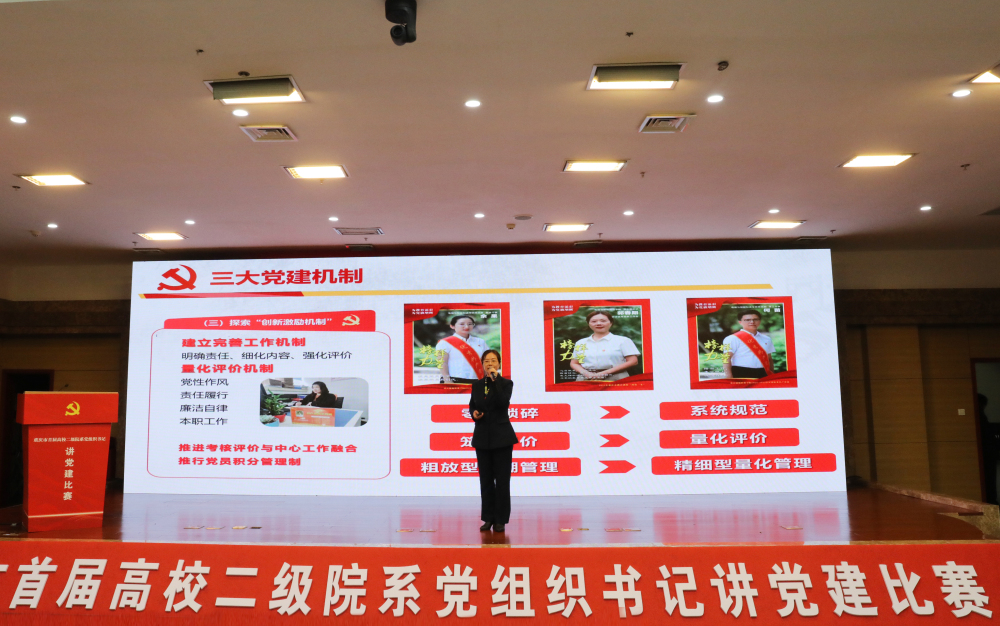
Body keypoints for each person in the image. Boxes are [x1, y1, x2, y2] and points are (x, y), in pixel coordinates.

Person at [468, 349, 516, 532]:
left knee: (502, 480)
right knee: (486, 480)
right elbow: (473, 405)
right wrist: (474, 414)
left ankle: (501, 519)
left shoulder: (506, 383)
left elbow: (503, 402)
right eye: (486, 361)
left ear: (499, 364)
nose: (490, 364)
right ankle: (488, 518)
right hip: (482, 437)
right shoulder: (477, 385)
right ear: (482, 364)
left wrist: (495, 381)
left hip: (502, 437)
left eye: (493, 360)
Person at [569, 310, 640, 381]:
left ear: (611, 323)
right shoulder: (580, 342)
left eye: (603, 321)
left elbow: (633, 361)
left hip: (616, 377)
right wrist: (586, 373)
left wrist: (605, 373)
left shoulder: (623, 340)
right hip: (586, 378)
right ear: (589, 324)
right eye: (594, 321)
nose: (598, 323)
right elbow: (574, 363)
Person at [721, 309, 776, 379]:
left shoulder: (766, 339)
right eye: (747, 320)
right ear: (740, 322)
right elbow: (726, 358)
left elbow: (769, 358)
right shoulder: (732, 338)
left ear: (760, 321)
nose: (752, 322)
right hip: (741, 372)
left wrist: (772, 375)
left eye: (755, 319)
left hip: (764, 372)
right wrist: (729, 378)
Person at [436, 314, 490, 384]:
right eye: (462, 324)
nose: (467, 326)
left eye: (470, 324)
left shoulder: (480, 342)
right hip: (454, 380)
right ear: (452, 326)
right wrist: (447, 380)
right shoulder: (444, 342)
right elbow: (442, 363)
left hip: (477, 380)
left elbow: (486, 361)